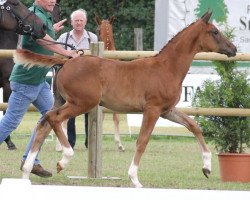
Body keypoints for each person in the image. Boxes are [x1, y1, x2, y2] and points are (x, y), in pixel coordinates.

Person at [0, 0, 80, 178]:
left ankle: (31, 160)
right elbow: (44, 41)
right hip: (26, 80)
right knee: (11, 121)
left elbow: (44, 34)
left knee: (51, 116)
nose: (53, 1)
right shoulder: (30, 14)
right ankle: (31, 160)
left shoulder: (44, 16)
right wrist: (67, 53)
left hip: (38, 81)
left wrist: (53, 30)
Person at [56, 9, 98, 150]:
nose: (79, 23)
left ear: (85, 22)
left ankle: (89, 142)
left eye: (81, 20)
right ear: (72, 22)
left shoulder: (93, 38)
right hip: (70, 82)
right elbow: (56, 56)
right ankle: (71, 143)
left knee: (90, 111)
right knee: (70, 112)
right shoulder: (63, 37)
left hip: (88, 82)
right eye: (76, 20)